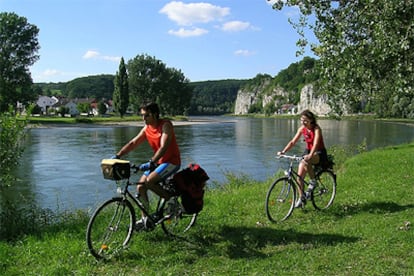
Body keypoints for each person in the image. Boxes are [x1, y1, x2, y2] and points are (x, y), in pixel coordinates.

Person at [113, 102, 181, 227]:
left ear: (155, 114)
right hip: (157, 162)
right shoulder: (147, 128)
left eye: (147, 115)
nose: (144, 118)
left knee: (149, 181)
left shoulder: (165, 125)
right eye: (142, 115)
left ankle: (172, 201)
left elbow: (163, 147)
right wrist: (118, 155)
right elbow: (133, 143)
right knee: (140, 187)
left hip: (171, 161)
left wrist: (151, 162)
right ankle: (145, 219)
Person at [277, 109, 328, 208]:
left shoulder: (317, 129)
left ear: (311, 120)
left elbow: (316, 144)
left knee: (306, 160)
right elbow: (292, 142)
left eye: (305, 120)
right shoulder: (302, 129)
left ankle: (313, 181)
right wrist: (283, 152)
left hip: (319, 152)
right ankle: (302, 198)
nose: (303, 122)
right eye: (301, 120)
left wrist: (310, 155)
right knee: (299, 177)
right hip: (308, 152)